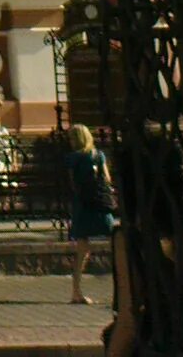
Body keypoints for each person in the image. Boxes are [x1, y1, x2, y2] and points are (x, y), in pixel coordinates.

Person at [65, 123, 115, 305]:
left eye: (71, 137)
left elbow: (72, 184)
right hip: (100, 204)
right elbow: (107, 179)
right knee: (115, 243)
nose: (69, 141)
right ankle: (123, 286)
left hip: (83, 206)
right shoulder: (98, 155)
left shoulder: (72, 158)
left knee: (82, 249)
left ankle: (76, 291)